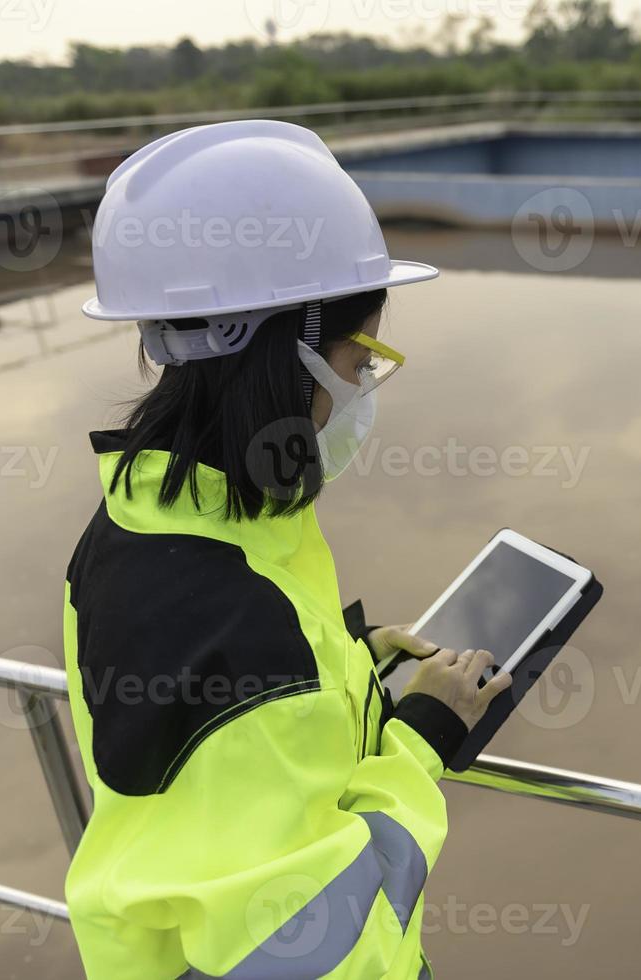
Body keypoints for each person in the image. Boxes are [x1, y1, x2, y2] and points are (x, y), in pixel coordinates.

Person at [61, 119, 511, 979]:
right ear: (288, 358)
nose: (365, 387)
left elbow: (218, 755)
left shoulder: (140, 523)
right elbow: (328, 948)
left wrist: (346, 661)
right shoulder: (245, 628)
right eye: (361, 359)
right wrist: (422, 737)